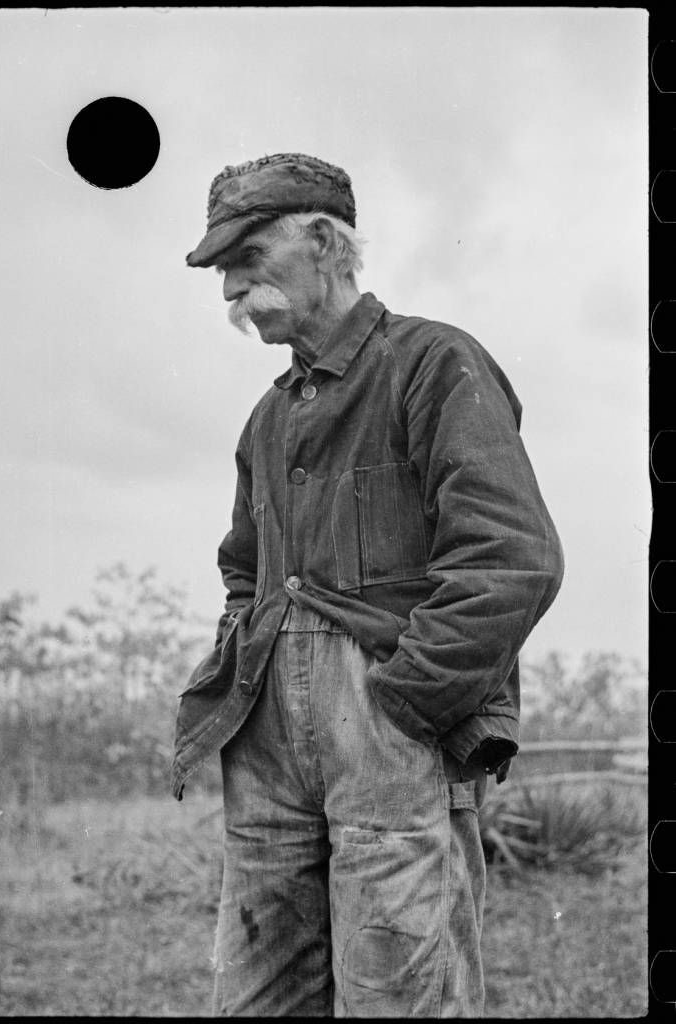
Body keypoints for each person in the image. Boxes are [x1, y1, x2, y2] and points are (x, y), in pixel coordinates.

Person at [172, 152, 564, 1017]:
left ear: (322, 241)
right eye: (219, 266)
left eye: (247, 253)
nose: (229, 282)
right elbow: (244, 569)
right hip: (267, 737)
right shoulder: (269, 417)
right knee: (256, 1000)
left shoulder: (432, 363)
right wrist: (254, 667)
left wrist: (407, 703)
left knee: (401, 998)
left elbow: (512, 556)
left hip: (392, 731)